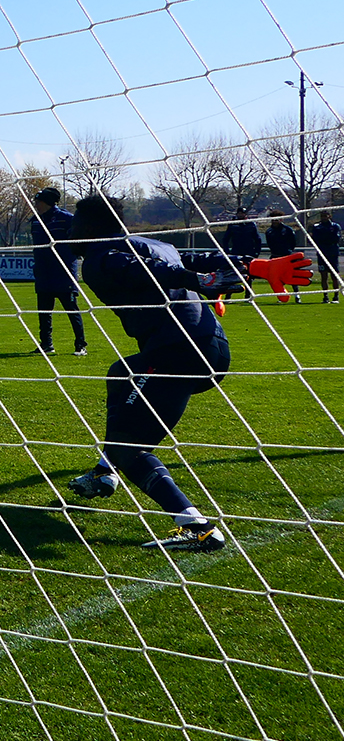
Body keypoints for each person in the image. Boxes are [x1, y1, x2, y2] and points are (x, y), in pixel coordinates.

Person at [66, 195, 310, 552]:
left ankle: (197, 526)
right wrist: (257, 266)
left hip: (177, 352)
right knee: (122, 375)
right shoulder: (155, 243)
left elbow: (144, 271)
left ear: (87, 226)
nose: (69, 232)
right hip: (208, 346)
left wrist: (201, 280)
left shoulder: (100, 258)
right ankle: (106, 471)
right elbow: (195, 258)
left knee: (127, 447)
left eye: (74, 225)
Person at [29, 187, 87, 356]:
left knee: (72, 310)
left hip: (63, 274)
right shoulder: (35, 221)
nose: (36, 205)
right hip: (43, 274)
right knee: (44, 312)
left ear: (47, 202)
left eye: (38, 202)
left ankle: (80, 345)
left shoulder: (66, 219)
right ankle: (46, 344)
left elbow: (78, 241)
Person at [221, 207, 261, 300]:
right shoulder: (233, 225)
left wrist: (256, 253)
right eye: (239, 213)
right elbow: (225, 239)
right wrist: (227, 252)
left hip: (248, 253)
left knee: (249, 275)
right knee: (232, 273)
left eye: (242, 213)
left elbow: (257, 239)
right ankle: (228, 296)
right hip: (236, 253)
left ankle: (248, 295)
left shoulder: (251, 225)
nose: (241, 215)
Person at [266, 210, 299, 302]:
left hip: (286, 256)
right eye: (273, 219)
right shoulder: (269, 231)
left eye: (277, 219)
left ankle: (297, 295)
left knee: (291, 275)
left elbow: (293, 243)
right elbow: (270, 243)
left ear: (281, 219)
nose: (275, 221)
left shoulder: (287, 230)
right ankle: (282, 296)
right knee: (277, 278)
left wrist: (288, 252)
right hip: (275, 256)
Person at [310, 209, 341, 304]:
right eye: (322, 216)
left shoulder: (335, 226)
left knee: (334, 275)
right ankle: (325, 296)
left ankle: (336, 295)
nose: (324, 218)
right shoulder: (317, 227)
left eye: (325, 215)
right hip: (322, 253)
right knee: (324, 275)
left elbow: (335, 238)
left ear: (329, 216)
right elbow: (315, 239)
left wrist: (325, 239)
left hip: (332, 253)